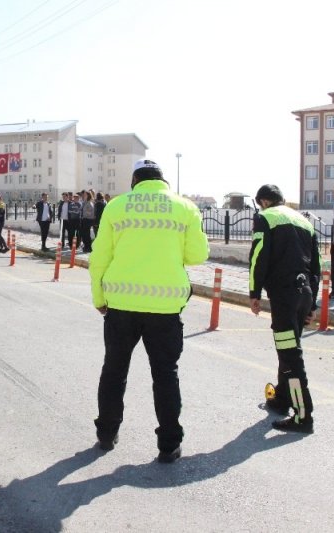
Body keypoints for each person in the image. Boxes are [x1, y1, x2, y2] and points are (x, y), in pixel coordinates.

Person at [89, 159, 209, 463]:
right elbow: (197, 255)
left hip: (120, 304)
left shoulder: (117, 207)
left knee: (114, 370)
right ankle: (169, 445)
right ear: (162, 181)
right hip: (165, 306)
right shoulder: (185, 207)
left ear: (134, 182)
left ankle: (106, 434)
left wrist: (98, 297)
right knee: (166, 375)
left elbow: (99, 258)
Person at [249, 184, 320, 434]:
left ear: (264, 202)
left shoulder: (265, 217)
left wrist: (254, 293)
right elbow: (316, 265)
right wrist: (313, 303)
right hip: (303, 295)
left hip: (284, 296)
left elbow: (258, 256)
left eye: (259, 204)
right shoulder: (304, 220)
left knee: (291, 357)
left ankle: (303, 415)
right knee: (288, 349)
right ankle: (282, 398)